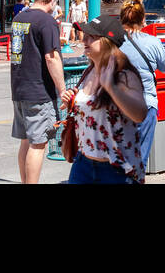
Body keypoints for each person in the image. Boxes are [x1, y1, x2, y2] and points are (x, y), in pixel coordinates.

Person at [59, 14, 151, 184]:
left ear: (107, 43)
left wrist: (112, 88)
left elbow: (140, 114)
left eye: (91, 37)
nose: (84, 40)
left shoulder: (124, 74)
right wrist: (71, 101)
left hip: (117, 169)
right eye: (84, 36)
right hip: (83, 164)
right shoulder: (88, 71)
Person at [8, 0, 67, 184]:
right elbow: (52, 57)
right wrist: (62, 90)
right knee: (38, 144)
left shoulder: (19, 18)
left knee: (26, 141)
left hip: (19, 88)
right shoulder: (47, 21)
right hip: (38, 89)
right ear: (53, 0)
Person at [119, 0, 165, 169]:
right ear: (143, 19)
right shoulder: (152, 42)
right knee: (139, 158)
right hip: (145, 105)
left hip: (118, 105)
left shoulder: (112, 43)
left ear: (122, 19)